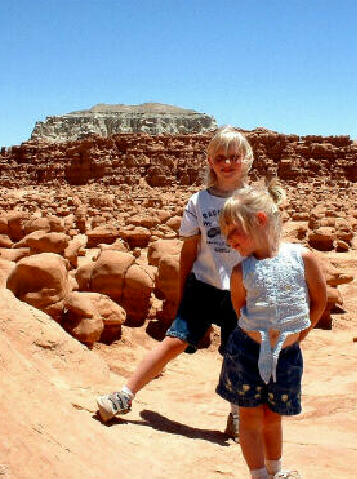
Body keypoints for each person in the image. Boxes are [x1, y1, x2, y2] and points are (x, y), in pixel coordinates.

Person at [96, 126, 254, 440]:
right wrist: (183, 291)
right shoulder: (199, 202)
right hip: (203, 285)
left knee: (239, 353)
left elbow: (267, 250)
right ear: (210, 161)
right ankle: (125, 394)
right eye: (220, 157)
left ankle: (237, 415)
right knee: (175, 340)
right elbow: (190, 249)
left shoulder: (255, 201)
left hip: (243, 290)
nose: (227, 163)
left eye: (234, 156)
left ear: (246, 159)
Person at [216, 182, 327, 479]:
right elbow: (240, 309)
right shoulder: (241, 270)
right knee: (250, 418)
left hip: (286, 355)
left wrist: (299, 335)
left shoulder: (301, 258)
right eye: (225, 235)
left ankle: (275, 471)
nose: (229, 241)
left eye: (233, 231)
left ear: (260, 220)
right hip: (246, 354)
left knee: (272, 416)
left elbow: (319, 300)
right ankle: (259, 475)